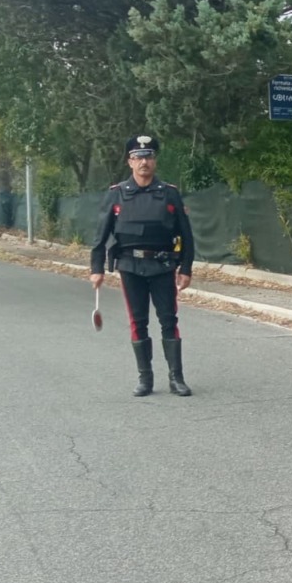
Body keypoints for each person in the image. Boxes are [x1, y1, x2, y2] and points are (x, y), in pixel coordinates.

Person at [89, 135, 196, 397]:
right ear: (130, 162)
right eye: (138, 157)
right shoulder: (117, 195)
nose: (143, 162)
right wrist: (97, 269)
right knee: (138, 322)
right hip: (130, 267)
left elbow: (187, 234)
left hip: (163, 266)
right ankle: (145, 379)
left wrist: (186, 269)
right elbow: (100, 236)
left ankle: (176, 379)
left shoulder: (169, 193)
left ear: (154, 161)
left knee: (169, 320)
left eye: (148, 156)